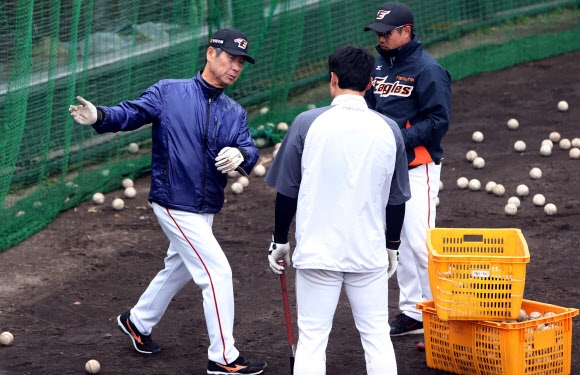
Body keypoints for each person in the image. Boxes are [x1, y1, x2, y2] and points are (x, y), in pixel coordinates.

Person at [69, 28, 267, 375]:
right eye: (230, 58)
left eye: (241, 62)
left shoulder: (234, 111)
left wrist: (241, 155)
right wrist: (100, 116)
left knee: (178, 268)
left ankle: (138, 321)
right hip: (174, 201)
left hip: (206, 205)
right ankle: (224, 357)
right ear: (210, 53)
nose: (236, 67)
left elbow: (249, 150)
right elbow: (131, 112)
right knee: (217, 272)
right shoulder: (169, 92)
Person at [265, 45, 411, 375]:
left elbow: (287, 192)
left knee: (313, 340)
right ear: (371, 84)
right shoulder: (390, 129)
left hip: (318, 251)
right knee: (376, 338)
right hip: (368, 251)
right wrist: (392, 247)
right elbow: (396, 199)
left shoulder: (305, 123)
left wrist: (280, 240)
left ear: (332, 79)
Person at [363, 2, 452, 350]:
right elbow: (371, 106)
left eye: (387, 33)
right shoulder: (379, 65)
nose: (381, 38)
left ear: (407, 32)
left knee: (421, 243)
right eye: (378, 33)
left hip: (418, 167)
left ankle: (439, 318)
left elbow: (438, 122)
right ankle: (413, 312)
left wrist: (395, 139)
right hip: (387, 167)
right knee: (396, 239)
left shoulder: (429, 69)